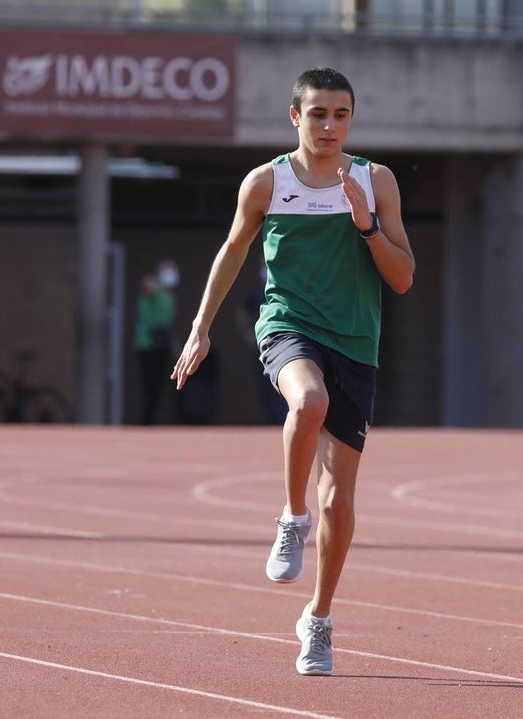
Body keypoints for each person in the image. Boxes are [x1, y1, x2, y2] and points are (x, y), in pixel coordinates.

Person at [171, 67, 414, 676]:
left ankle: (319, 620)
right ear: (295, 117)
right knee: (307, 402)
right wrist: (200, 327)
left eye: (341, 115)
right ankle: (290, 516)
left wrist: (366, 225)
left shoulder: (375, 181)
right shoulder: (267, 182)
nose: (329, 125)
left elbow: (404, 277)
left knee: (342, 501)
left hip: (356, 339)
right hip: (289, 324)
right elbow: (232, 251)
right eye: (318, 114)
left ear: (351, 121)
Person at [234, 260, 288, 425]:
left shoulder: (286, 288)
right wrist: (249, 335)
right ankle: (271, 420)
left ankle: (284, 419)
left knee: (285, 383)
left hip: (283, 345)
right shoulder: (256, 291)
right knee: (264, 385)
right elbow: (241, 311)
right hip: (262, 346)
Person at [133, 260, 178, 425]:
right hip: (146, 345)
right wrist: (151, 281)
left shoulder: (170, 297)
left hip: (162, 345)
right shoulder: (154, 290)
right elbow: (147, 286)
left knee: (158, 386)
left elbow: (168, 324)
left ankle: (152, 419)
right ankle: (146, 420)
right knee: (147, 384)